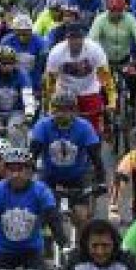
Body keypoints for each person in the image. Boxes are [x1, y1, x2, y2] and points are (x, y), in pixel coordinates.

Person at [29, 90, 105, 232]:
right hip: (50, 176)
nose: (60, 114)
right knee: (43, 214)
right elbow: (32, 157)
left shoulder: (84, 127)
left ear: (74, 111)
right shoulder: (42, 126)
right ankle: (44, 244)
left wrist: (100, 181)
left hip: (79, 176)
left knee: (82, 217)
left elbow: (96, 159)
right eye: (57, 109)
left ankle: (81, 249)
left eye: (66, 110)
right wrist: (28, 178)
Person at [44, 21, 117, 136]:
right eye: (72, 38)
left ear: (84, 38)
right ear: (66, 39)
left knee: (94, 130)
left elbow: (105, 78)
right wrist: (49, 105)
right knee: (62, 127)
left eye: (78, 38)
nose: (75, 41)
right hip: (65, 91)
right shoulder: (56, 53)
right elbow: (50, 83)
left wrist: (112, 101)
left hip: (89, 89)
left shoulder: (95, 50)